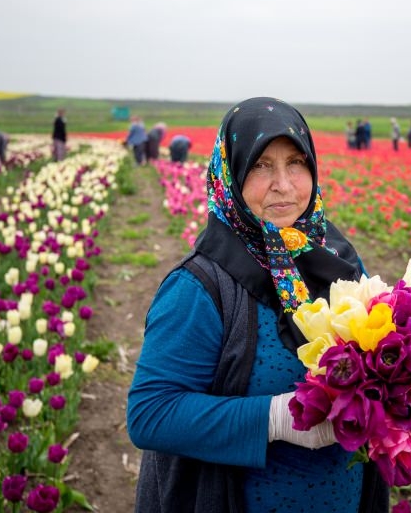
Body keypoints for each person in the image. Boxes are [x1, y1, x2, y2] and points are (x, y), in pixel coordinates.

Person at [127, 97, 389, 513]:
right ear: (230, 174)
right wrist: (274, 419)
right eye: (261, 165)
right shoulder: (200, 286)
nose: (283, 184)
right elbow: (150, 414)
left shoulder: (338, 259)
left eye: (296, 163)